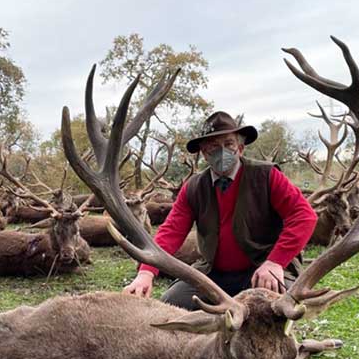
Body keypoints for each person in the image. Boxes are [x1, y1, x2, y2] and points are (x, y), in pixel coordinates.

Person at [123, 111, 318, 309]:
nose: (222, 151)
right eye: (213, 146)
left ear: (240, 148)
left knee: (278, 306)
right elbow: (171, 231)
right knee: (172, 304)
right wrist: (146, 272)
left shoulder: (267, 176)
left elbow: (304, 216)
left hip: (262, 270)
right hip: (213, 274)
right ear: (204, 153)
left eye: (229, 143)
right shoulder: (193, 188)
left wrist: (276, 262)